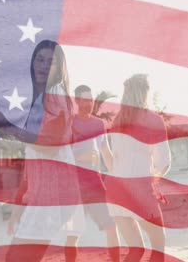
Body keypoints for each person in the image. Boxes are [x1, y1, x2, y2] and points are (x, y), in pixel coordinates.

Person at [0, 40, 85, 262]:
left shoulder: (55, 94)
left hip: (52, 197)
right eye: (40, 59)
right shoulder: (40, 100)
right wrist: (19, 207)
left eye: (52, 62)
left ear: (60, 69)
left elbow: (50, 145)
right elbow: (34, 163)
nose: (44, 65)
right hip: (44, 198)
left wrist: (6, 125)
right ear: (32, 63)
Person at [106, 74, 171, 262]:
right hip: (139, 188)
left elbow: (114, 160)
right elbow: (163, 162)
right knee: (158, 245)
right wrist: (155, 181)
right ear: (145, 92)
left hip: (115, 190)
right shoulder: (153, 119)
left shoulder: (117, 120)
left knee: (136, 250)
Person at [72, 85, 120, 261]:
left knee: (111, 226)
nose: (88, 103)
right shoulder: (68, 124)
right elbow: (60, 158)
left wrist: (118, 176)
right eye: (84, 100)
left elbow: (106, 153)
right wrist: (80, 157)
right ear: (77, 101)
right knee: (73, 234)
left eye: (90, 100)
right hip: (74, 185)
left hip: (95, 183)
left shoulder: (99, 124)